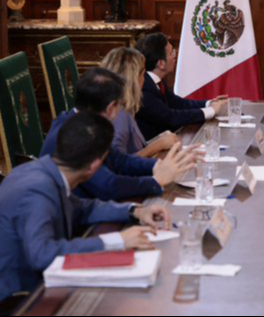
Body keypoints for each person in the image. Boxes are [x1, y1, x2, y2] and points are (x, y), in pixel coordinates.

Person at [0, 112, 173, 301]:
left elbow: (83, 208)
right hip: (18, 298)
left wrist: (136, 211)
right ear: (94, 166)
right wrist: (118, 240)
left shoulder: (45, 170)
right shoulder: (37, 190)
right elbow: (42, 254)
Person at [40, 67, 198, 201]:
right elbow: (108, 185)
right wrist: (155, 181)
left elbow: (119, 161)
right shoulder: (73, 134)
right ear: (111, 108)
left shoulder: (86, 122)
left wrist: (160, 165)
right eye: (119, 105)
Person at [135, 33, 227, 140]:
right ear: (161, 64)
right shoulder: (144, 88)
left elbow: (179, 103)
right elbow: (170, 117)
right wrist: (211, 111)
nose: (175, 56)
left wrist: (210, 103)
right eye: (171, 53)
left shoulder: (155, 81)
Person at [101, 47, 179, 157]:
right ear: (134, 78)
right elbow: (119, 162)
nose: (145, 79)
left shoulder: (122, 106)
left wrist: (158, 140)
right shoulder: (119, 114)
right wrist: (158, 145)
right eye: (143, 74)